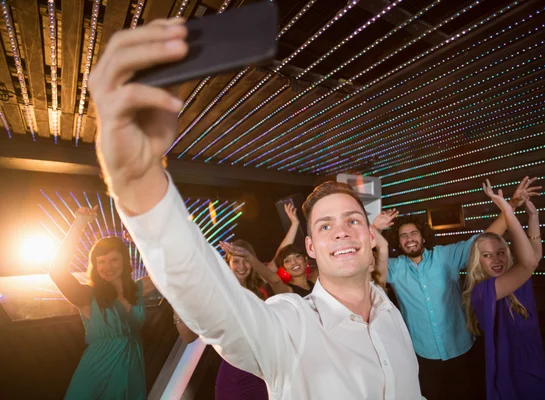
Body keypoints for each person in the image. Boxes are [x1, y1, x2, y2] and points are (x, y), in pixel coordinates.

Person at [88, 17, 422, 398]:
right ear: (310, 248)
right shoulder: (289, 326)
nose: (342, 229)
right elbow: (213, 303)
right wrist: (136, 180)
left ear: (369, 235)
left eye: (352, 220)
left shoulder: (389, 314)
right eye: (325, 225)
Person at [373, 177, 541, 399]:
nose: (409, 238)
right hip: (423, 354)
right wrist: (374, 228)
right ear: (398, 242)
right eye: (403, 235)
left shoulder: (445, 255)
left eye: (414, 233)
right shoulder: (393, 268)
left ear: (423, 237)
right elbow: (369, 267)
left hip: (461, 347)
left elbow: (485, 239)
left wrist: (512, 204)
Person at [48, 206, 157, 399]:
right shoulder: (86, 295)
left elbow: (170, 271)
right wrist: (79, 223)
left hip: (132, 373)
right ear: (94, 265)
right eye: (101, 261)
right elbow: (56, 271)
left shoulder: (137, 290)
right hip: (96, 377)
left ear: (125, 261)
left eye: (114, 260)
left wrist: (144, 242)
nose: (107, 267)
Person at [463, 180, 545, 399]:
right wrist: (508, 210)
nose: (496, 260)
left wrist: (533, 216)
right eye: (487, 255)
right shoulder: (482, 292)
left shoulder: (517, 276)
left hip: (534, 359)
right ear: (478, 262)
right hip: (511, 369)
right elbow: (529, 263)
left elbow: (534, 257)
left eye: (501, 252)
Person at [175, 239, 269, 400]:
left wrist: (295, 224)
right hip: (236, 376)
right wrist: (177, 302)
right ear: (228, 263)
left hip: (266, 372)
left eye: (246, 261)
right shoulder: (218, 295)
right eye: (236, 261)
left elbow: (275, 270)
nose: (242, 267)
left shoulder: (260, 291)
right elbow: (188, 337)